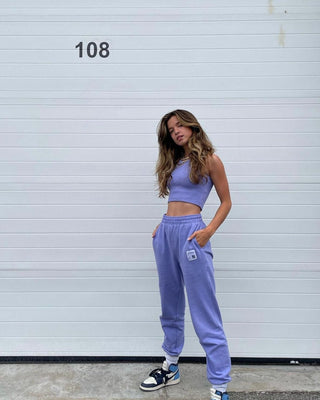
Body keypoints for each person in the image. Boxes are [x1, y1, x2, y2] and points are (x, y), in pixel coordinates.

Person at [139, 109, 232, 400]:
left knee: (204, 307)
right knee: (170, 303)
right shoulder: (177, 161)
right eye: (171, 128)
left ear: (192, 126)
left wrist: (208, 232)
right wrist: (164, 225)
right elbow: (177, 201)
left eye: (180, 125)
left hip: (193, 234)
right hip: (167, 233)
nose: (176, 130)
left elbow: (226, 202)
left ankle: (219, 384)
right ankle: (171, 366)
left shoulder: (210, 160)